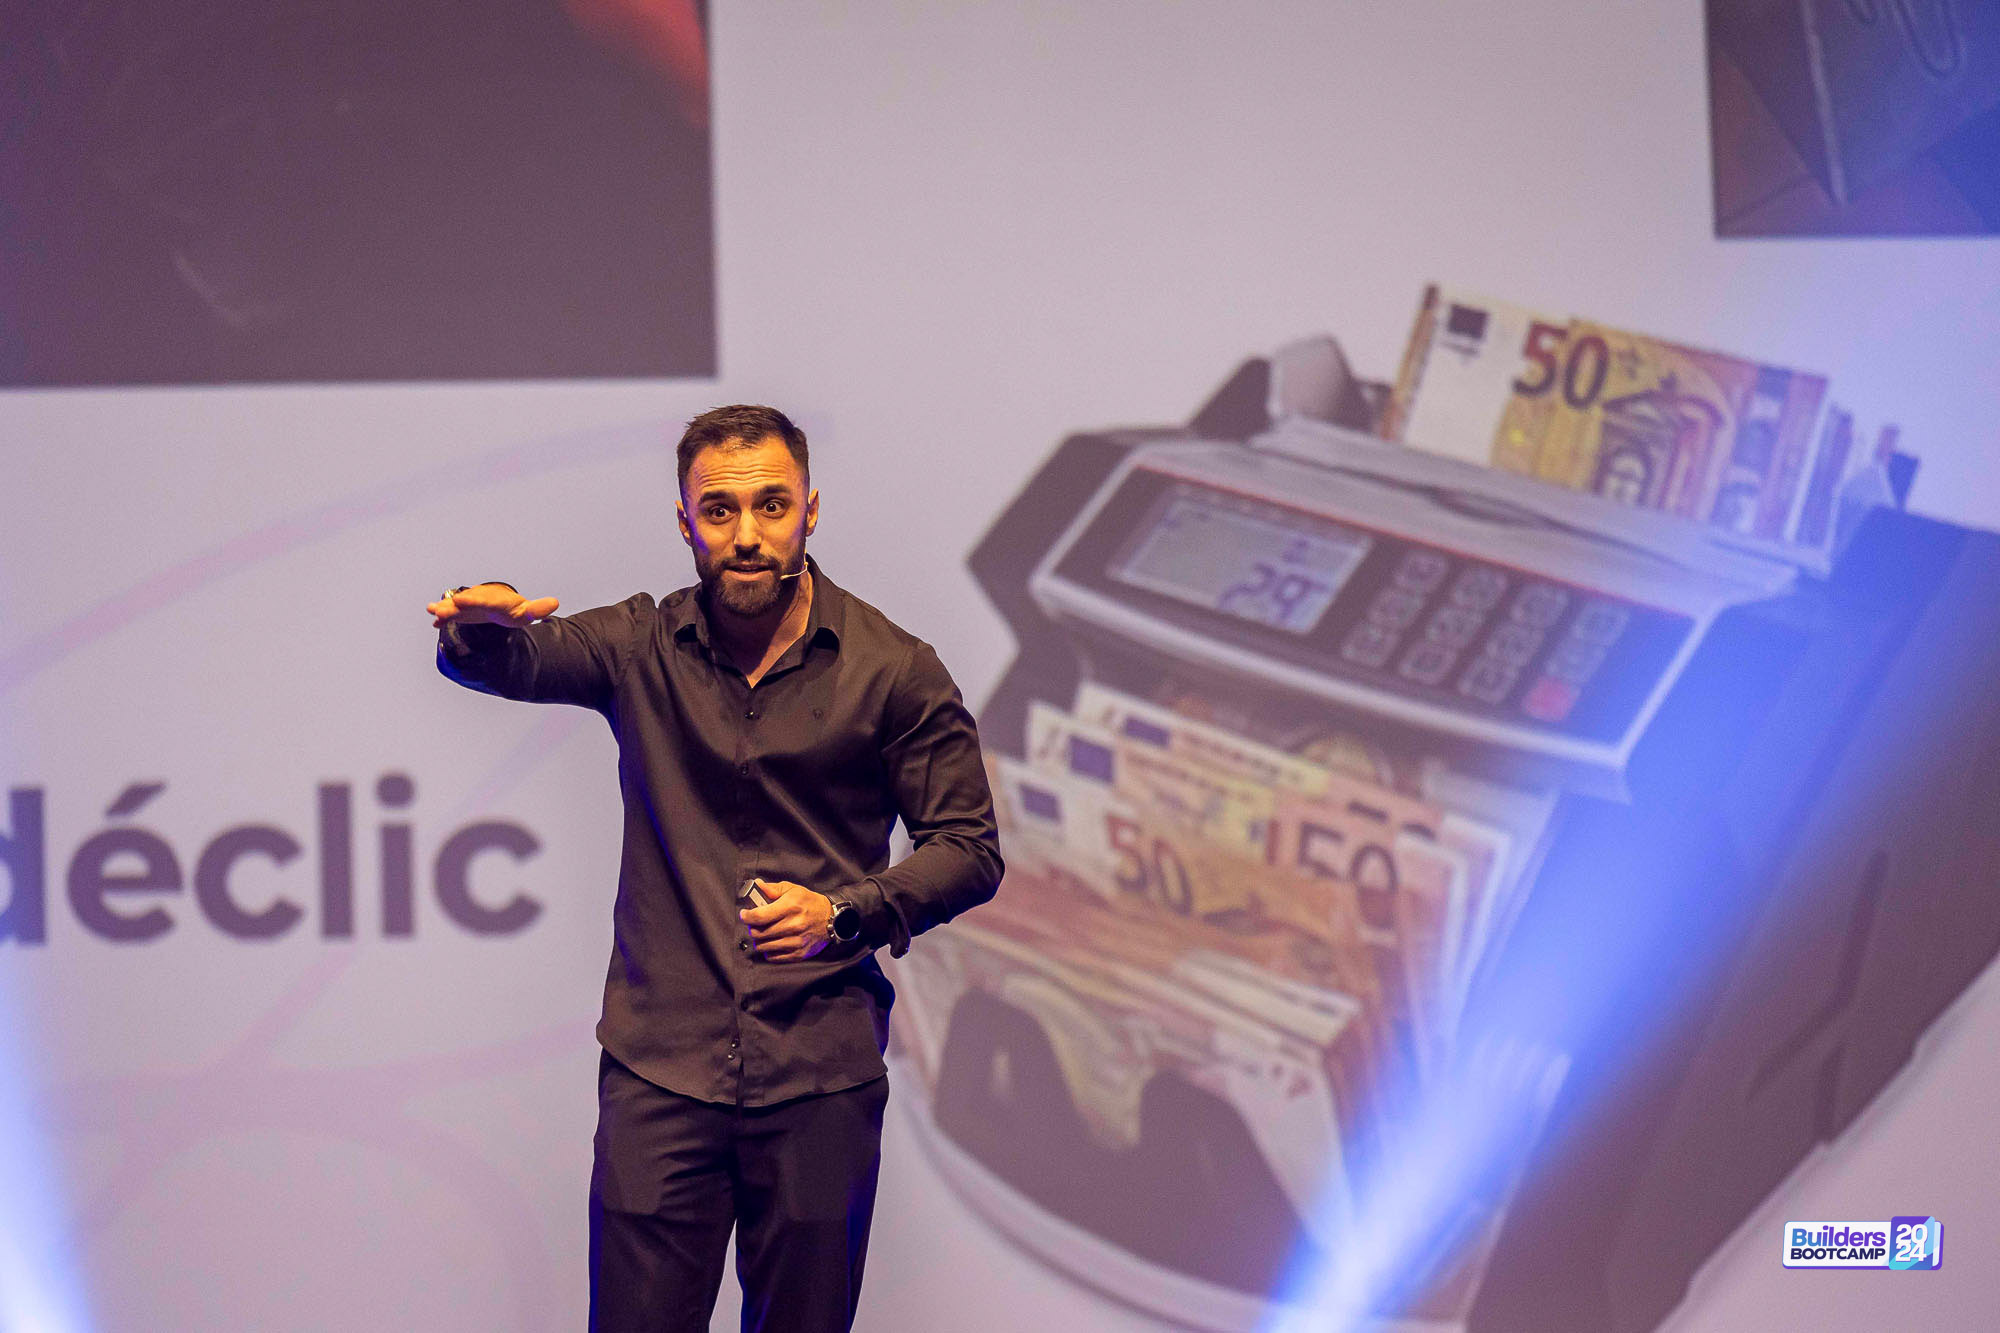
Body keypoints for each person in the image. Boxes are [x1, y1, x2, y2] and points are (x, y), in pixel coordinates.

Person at [426, 404, 1004, 1332]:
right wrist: (477, 626)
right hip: (662, 1078)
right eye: (720, 510)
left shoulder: (895, 669)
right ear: (686, 522)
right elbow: (516, 659)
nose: (747, 535)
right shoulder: (639, 645)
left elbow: (968, 847)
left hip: (819, 1075)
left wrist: (844, 914)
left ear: (809, 510)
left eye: (770, 505)